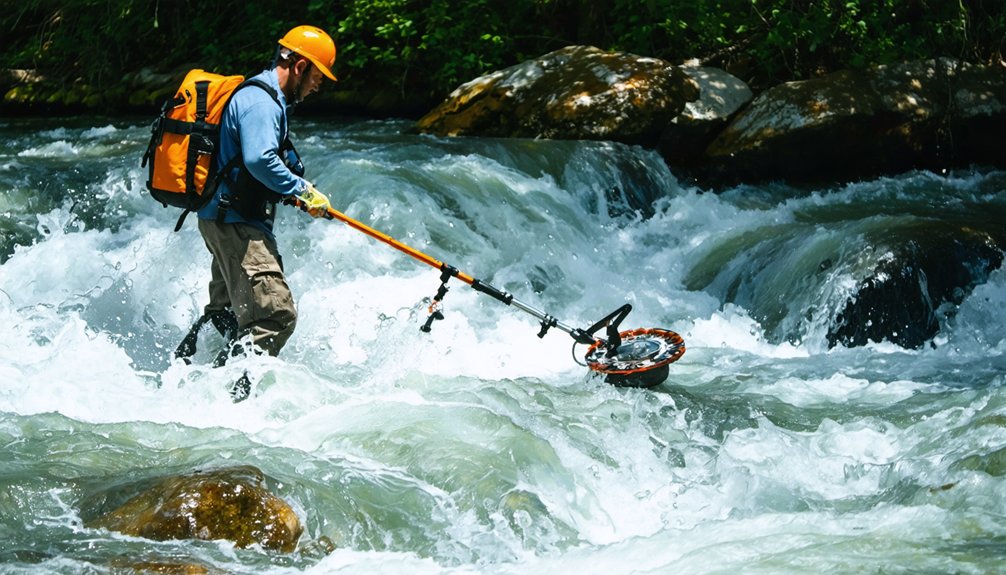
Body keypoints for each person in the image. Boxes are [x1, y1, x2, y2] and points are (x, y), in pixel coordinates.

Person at [176, 25, 337, 401]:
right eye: (318, 76)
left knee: (229, 313)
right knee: (275, 316)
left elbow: (252, 166)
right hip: (236, 227)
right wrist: (303, 190)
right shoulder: (263, 103)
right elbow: (258, 159)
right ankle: (229, 401)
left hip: (227, 221)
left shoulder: (262, 97)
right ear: (299, 66)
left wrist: (294, 193)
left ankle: (191, 385)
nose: (318, 86)